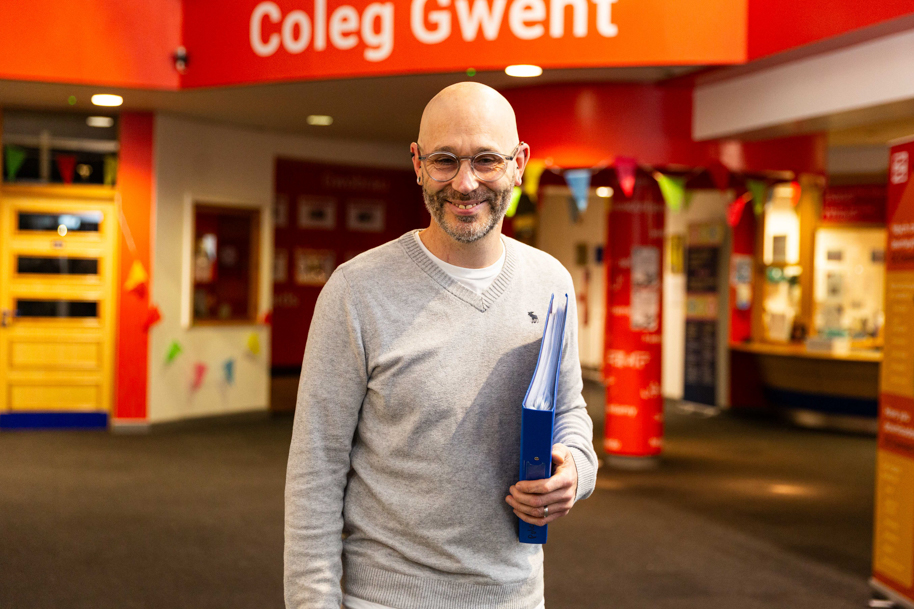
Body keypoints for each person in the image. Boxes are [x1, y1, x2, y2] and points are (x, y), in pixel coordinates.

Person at [285, 82, 598, 609]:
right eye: (445, 160)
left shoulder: (551, 282)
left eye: (486, 160)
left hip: (516, 596)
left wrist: (575, 471)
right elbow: (316, 471)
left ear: (519, 162)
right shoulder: (356, 291)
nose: (466, 182)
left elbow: (569, 410)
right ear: (417, 162)